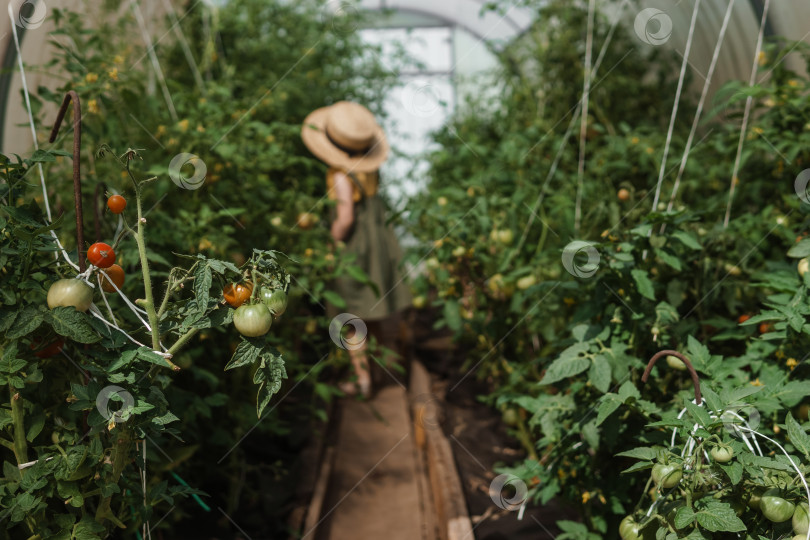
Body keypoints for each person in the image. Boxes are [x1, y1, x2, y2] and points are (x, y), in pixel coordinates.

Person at [301, 101, 412, 398]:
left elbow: (346, 217)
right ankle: (378, 371)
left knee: (351, 317)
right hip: (380, 243)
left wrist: (331, 242)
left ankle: (362, 379)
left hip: (355, 249)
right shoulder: (369, 172)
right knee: (373, 310)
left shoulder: (340, 174)